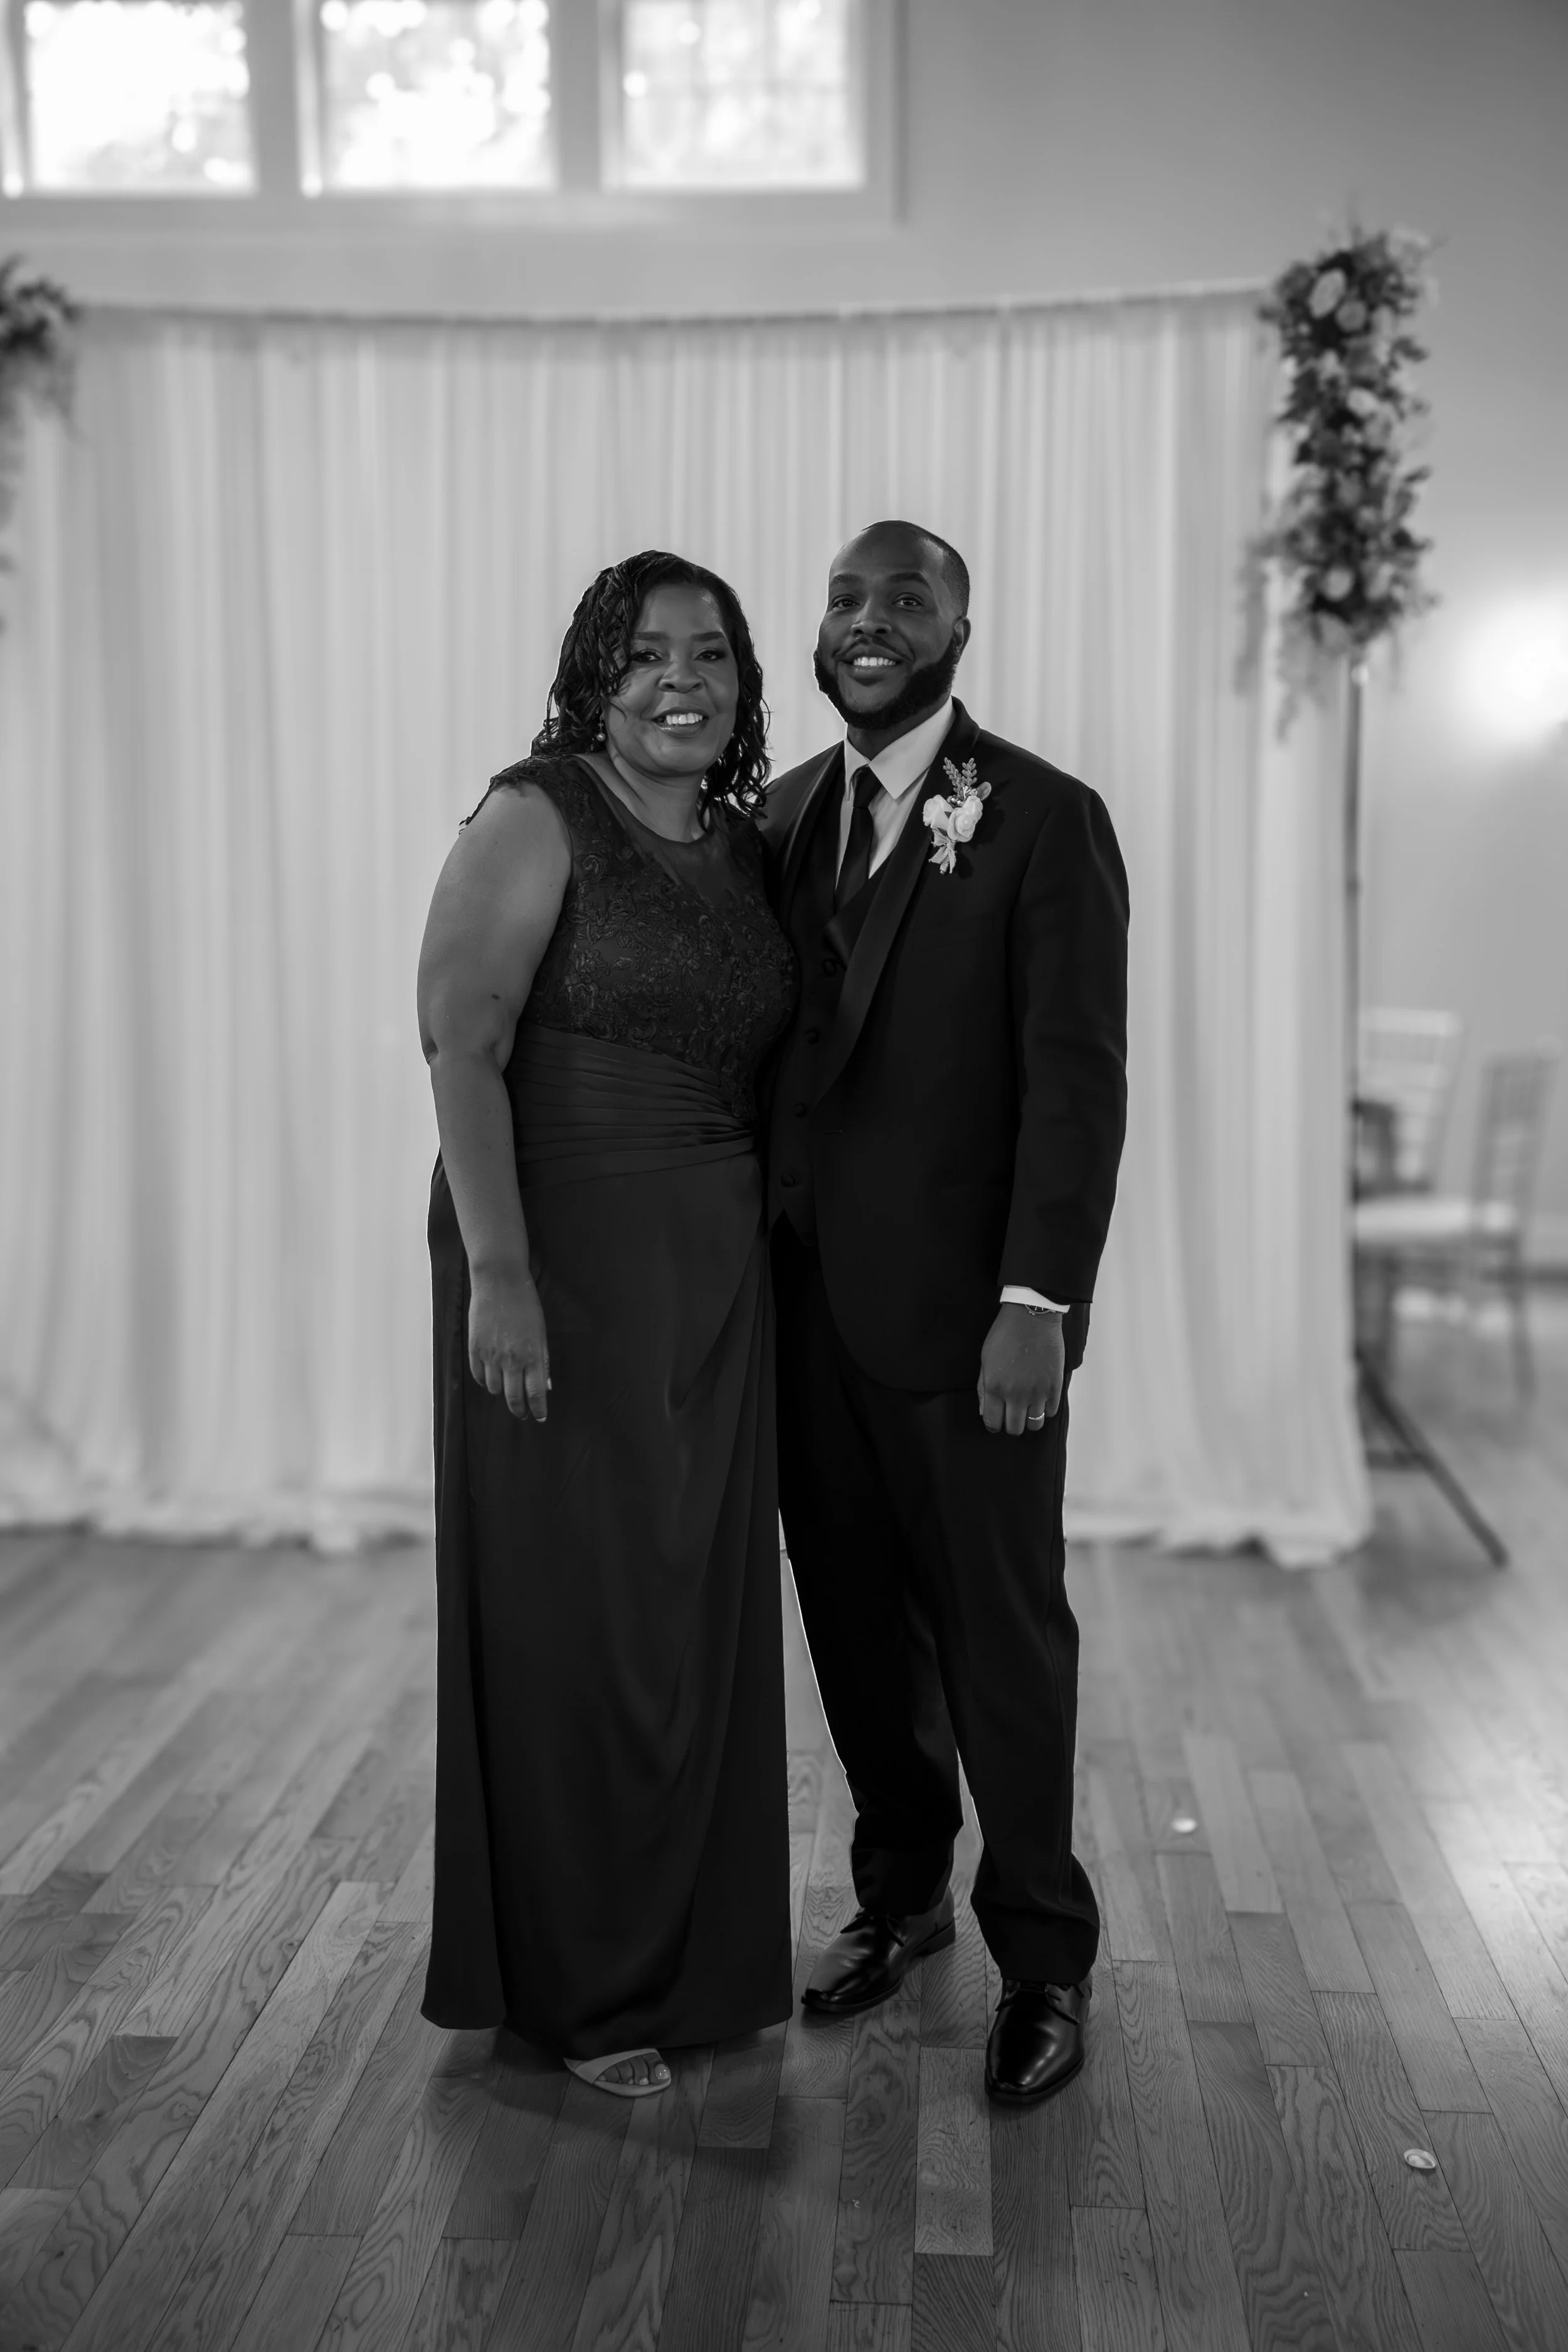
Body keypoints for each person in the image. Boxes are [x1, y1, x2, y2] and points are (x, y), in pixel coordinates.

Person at [417, 552, 798, 2095]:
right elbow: (460, 1036)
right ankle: (579, 1987)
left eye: (709, 654)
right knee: (580, 1614)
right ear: (595, 671)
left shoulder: (742, 849)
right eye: (645, 655)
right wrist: (498, 1274)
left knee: (686, 1613)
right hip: (554, 1256)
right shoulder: (534, 813)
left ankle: (686, 1958)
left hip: (707, 1275)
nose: (679, 680)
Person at [762, 519, 1128, 2105]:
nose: (866, 620)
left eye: (902, 597)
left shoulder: (1044, 819)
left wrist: (1036, 1300)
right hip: (797, 1318)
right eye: (844, 596)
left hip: (976, 1325)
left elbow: (1074, 1086)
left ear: (957, 629)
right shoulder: (774, 819)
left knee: (1001, 1641)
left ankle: (1041, 1956)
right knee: (852, 1630)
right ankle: (902, 1897)